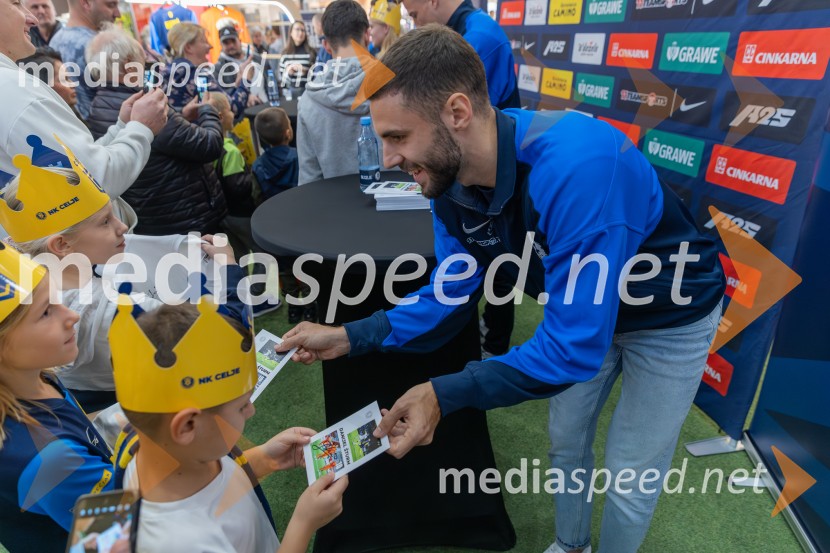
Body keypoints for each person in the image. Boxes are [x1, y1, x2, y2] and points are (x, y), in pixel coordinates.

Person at [277, 26, 725, 553]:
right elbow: (450, 293)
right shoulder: (447, 181)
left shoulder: (578, 166)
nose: (388, 158)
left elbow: (573, 347)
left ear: (458, 113)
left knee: (629, 472)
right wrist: (352, 335)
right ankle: (571, 544)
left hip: (668, 318)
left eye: (398, 137)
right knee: (565, 442)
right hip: (580, 314)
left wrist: (444, 392)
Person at [0, 139, 247, 412]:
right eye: (105, 221)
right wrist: (227, 266)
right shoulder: (109, 309)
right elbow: (227, 338)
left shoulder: (25, 270)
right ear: (61, 245)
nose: (123, 226)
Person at [110, 297, 349, 553]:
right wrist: (303, 524)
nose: (252, 410)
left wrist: (266, 459)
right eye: (242, 405)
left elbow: (215, 485)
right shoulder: (181, 544)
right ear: (187, 426)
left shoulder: (143, 438)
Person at [403, 0, 520, 357]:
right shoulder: (470, 33)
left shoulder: (480, 36)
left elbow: (449, 125)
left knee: (501, 265)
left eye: (413, 13)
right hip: (476, 179)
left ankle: (492, 346)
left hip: (497, 182)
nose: (413, 21)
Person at [0, 0, 168, 231]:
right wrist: (142, 127)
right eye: (17, 4)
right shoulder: (13, 91)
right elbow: (92, 181)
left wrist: (122, 127)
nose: (33, 18)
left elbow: (76, 161)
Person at [0, 243, 114, 552]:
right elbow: (121, 534)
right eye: (46, 312)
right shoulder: (50, 459)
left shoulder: (35, 376)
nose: (72, 315)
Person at [85, 28, 227, 236]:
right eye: (141, 55)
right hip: (185, 219)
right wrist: (208, 110)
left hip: (151, 218)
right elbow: (209, 145)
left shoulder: (98, 106)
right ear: (128, 63)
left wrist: (182, 117)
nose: (146, 62)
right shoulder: (144, 105)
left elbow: (161, 140)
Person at [296, 0, 382, 185]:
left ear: (326, 45)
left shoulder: (308, 100)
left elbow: (309, 176)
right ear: (367, 35)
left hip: (333, 208)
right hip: (396, 206)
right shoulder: (397, 84)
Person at [252, 107, 312, 324]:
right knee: (307, 269)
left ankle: (293, 309)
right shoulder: (300, 158)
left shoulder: (258, 165)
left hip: (277, 228)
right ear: (289, 132)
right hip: (302, 224)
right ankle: (310, 308)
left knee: (285, 272)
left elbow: (256, 197)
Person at [162, 22, 252, 121]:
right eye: (204, 41)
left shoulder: (166, 71)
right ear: (188, 47)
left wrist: (236, 86)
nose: (210, 46)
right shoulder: (197, 75)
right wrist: (246, 79)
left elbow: (221, 99)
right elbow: (231, 109)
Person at [50, 0, 121, 119]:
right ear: (86, 3)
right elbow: (122, 102)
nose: (118, 14)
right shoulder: (102, 46)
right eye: (111, 5)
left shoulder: (54, 41)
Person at [17, 47, 82, 120]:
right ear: (44, 85)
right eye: (64, 79)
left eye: (69, 78)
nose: (73, 84)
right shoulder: (41, 126)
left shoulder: (72, 117)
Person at [279, 20, 316, 96]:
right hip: (291, 94)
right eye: (297, 29)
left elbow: (318, 76)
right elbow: (283, 83)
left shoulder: (311, 53)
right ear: (290, 33)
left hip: (309, 93)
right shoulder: (285, 54)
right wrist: (289, 72)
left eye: (303, 30)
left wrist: (306, 71)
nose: (300, 33)